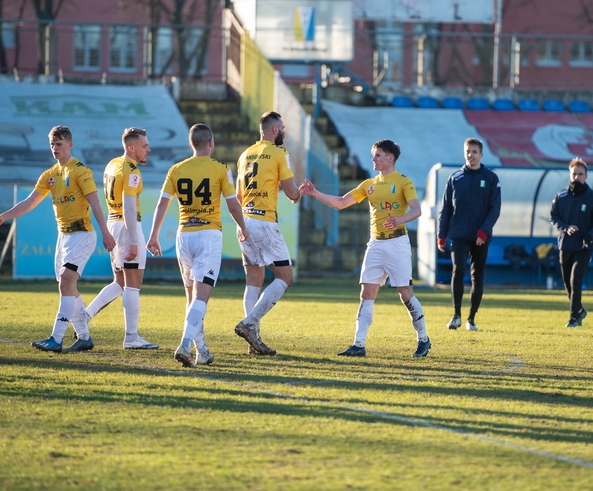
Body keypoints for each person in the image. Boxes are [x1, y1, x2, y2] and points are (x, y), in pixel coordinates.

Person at [0, 126, 115, 352]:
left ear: (70, 145)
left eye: (60, 144)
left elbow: (95, 203)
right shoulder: (50, 174)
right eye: (52, 144)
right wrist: (2, 217)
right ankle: (84, 337)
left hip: (83, 235)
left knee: (66, 280)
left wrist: (105, 232)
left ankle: (56, 338)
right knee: (68, 287)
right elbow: (29, 202)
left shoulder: (81, 171)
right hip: (64, 237)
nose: (55, 148)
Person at [300, 139, 431, 358]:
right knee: (366, 292)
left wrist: (399, 220)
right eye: (374, 155)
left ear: (390, 158)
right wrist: (315, 193)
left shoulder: (403, 182)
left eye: (378, 155)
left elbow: (417, 210)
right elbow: (342, 202)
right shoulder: (368, 184)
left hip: (397, 243)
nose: (373, 159)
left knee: (405, 294)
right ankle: (358, 344)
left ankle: (423, 339)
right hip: (376, 244)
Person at [146, 124, 248, 367]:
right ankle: (184, 344)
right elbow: (233, 205)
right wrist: (244, 227)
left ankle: (201, 350)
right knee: (201, 297)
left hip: (184, 235)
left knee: (192, 297)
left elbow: (162, 205)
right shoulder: (221, 169)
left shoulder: (176, 169)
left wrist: (154, 236)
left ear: (191, 144)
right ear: (210, 143)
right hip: (208, 234)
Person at [82, 128, 158, 350]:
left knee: (120, 282)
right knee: (133, 284)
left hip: (114, 223)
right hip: (127, 226)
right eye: (144, 146)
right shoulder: (132, 170)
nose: (148, 149)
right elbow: (128, 206)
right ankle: (131, 337)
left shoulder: (112, 164)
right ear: (131, 147)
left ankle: (84, 316)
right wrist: (135, 240)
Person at [233, 111, 302, 356]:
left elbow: (239, 196)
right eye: (282, 127)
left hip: (245, 220)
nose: (284, 131)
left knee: (254, 279)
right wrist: (299, 194)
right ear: (274, 130)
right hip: (264, 222)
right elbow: (292, 192)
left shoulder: (245, 155)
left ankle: (254, 342)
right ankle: (249, 324)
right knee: (285, 277)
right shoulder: (280, 154)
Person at [436, 138, 501, 331]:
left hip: (481, 236)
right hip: (459, 234)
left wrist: (484, 230)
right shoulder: (455, 178)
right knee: (457, 271)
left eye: (474, 152)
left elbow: (495, 208)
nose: (471, 155)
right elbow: (446, 209)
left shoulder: (490, 178)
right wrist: (442, 234)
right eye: (468, 152)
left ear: (481, 154)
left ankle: (471, 318)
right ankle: (456, 315)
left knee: (477, 276)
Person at [549, 157, 593, 327]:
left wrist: (591, 235)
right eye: (574, 174)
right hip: (565, 245)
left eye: (580, 174)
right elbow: (553, 216)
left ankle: (573, 318)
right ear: (569, 174)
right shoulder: (561, 196)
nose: (577, 177)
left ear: (586, 176)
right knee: (567, 284)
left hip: (584, 247)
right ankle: (579, 310)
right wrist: (565, 227)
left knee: (575, 281)